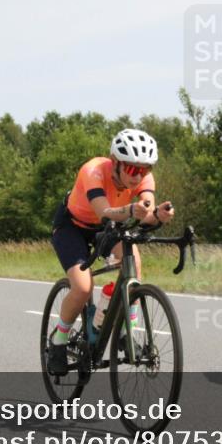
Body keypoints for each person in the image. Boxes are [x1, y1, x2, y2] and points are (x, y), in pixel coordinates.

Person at [47, 128, 175, 375]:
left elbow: (145, 210)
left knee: (133, 268)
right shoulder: (93, 170)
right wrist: (131, 210)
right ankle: (59, 341)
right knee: (83, 287)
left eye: (145, 169)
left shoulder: (145, 179)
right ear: (115, 162)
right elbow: (103, 212)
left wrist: (157, 214)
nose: (138, 176)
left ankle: (125, 335)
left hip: (109, 227)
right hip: (73, 227)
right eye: (132, 169)